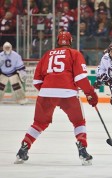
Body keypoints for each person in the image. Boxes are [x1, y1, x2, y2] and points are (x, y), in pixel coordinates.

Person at [14, 31, 98, 166]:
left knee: (38, 123)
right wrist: (91, 93)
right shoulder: (74, 53)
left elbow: (36, 81)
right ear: (71, 41)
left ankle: (23, 148)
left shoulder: (47, 54)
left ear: (57, 41)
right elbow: (80, 78)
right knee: (79, 122)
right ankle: (82, 149)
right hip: (68, 94)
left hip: (46, 93)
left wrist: (49, 91)